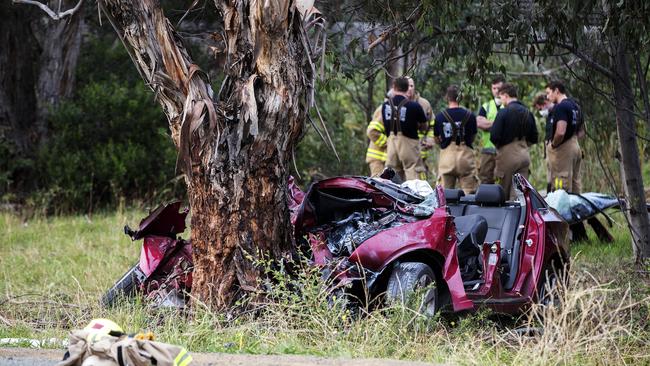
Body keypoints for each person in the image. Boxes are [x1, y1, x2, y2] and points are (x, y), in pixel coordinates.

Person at [490, 83, 539, 199]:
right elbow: (534, 137)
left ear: (506, 95)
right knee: (519, 194)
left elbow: (494, 136)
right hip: (524, 155)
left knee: (502, 193)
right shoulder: (528, 113)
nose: (501, 100)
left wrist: (500, 147)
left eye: (501, 97)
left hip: (507, 157)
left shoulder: (503, 112)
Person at [433, 85, 479, 194]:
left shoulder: (440, 117)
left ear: (447, 98)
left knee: (444, 195)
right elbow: (472, 137)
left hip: (447, 159)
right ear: (461, 97)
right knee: (470, 193)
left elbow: (436, 138)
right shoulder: (470, 115)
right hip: (465, 158)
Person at [382, 77, 428, 181]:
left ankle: (392, 197)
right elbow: (424, 126)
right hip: (409, 146)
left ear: (394, 87)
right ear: (407, 88)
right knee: (414, 173)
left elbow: (385, 125)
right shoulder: (414, 106)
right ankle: (416, 196)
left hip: (391, 147)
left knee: (392, 176)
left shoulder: (385, 105)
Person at [545, 80, 584, 193]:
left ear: (556, 91)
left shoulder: (561, 107)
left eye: (549, 93)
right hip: (575, 145)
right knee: (575, 181)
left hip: (563, 148)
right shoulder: (575, 106)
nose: (547, 96)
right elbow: (582, 131)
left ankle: (561, 210)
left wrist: (553, 145)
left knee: (560, 182)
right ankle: (577, 208)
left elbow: (560, 132)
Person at [476, 76, 505, 184]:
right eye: (494, 88)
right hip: (488, 150)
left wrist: (489, 123)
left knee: (503, 179)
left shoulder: (508, 105)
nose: (497, 91)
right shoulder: (486, 106)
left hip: (503, 149)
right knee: (485, 178)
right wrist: (500, 124)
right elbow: (479, 123)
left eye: (499, 88)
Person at [406, 77, 435, 181]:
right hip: (403, 152)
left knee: (420, 180)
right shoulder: (396, 103)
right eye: (406, 86)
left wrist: (430, 139)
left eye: (411, 86)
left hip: (421, 151)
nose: (409, 88)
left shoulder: (424, 104)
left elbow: (432, 125)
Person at [532, 93, 555, 192]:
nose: (540, 112)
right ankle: (549, 191)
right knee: (549, 173)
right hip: (548, 146)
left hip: (555, 147)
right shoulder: (549, 115)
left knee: (556, 175)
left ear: (545, 103)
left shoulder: (557, 112)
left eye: (540, 109)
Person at [365, 104, 388, 176]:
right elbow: (372, 132)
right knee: (378, 184)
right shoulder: (384, 109)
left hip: (388, 159)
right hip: (378, 158)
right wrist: (389, 143)